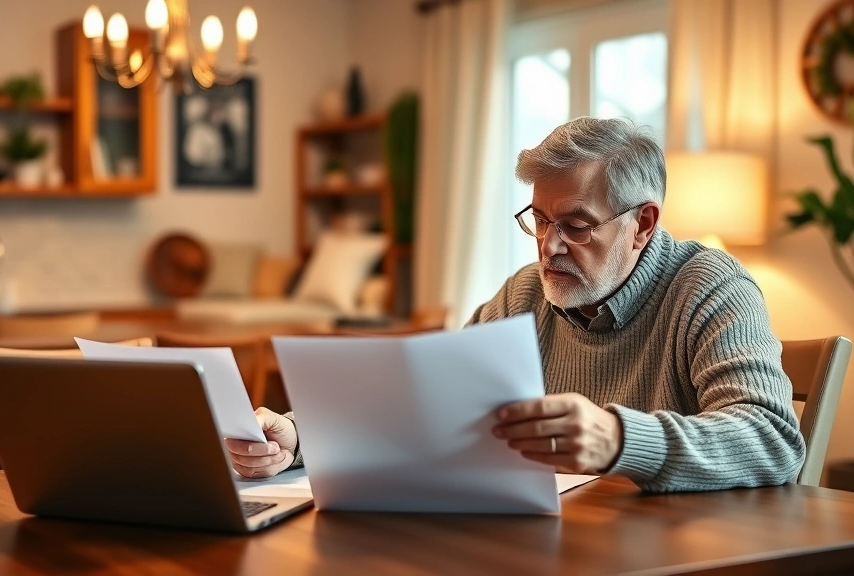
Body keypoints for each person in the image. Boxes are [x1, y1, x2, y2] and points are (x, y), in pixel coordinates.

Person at [224, 117, 805, 493]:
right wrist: (300, 435)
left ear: (643, 224)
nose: (548, 247)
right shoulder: (525, 294)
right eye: (540, 220)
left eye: (576, 224)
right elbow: (420, 399)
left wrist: (619, 440)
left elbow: (774, 440)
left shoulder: (709, 288)